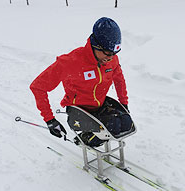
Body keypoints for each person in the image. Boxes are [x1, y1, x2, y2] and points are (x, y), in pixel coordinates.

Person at [30, 17, 132, 146]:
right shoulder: (70, 62)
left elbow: (119, 80)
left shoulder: (112, 60)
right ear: (96, 45)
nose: (111, 57)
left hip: (99, 106)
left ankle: (96, 135)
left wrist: (124, 103)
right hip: (78, 111)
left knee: (126, 123)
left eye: (114, 52)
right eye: (107, 52)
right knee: (113, 126)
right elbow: (38, 87)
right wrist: (50, 120)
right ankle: (85, 138)